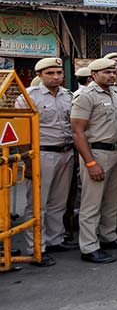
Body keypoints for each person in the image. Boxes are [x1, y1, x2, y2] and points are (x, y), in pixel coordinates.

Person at [15, 58, 76, 267]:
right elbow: (22, 133)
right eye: (50, 73)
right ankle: (36, 248)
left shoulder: (67, 96)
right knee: (37, 203)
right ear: (39, 75)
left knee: (58, 201)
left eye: (59, 73)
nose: (56, 77)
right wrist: (27, 159)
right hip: (42, 153)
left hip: (65, 152)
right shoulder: (28, 97)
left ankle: (54, 239)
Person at [71, 58, 117, 264]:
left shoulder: (115, 93)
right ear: (93, 75)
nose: (112, 75)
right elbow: (78, 132)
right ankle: (88, 246)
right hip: (97, 153)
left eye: (113, 72)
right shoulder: (86, 96)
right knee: (92, 202)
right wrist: (90, 163)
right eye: (106, 72)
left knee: (112, 200)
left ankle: (108, 235)